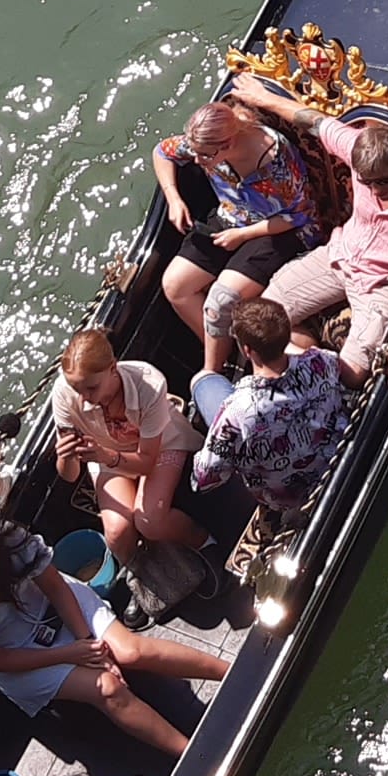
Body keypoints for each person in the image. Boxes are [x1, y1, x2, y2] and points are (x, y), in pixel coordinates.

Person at [0, 515, 227, 758]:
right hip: (22, 655)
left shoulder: (9, 542)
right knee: (107, 689)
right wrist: (69, 655)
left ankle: (229, 672)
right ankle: (190, 754)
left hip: (56, 605)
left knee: (130, 651)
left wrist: (90, 646)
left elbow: (55, 587)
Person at [222, 71, 388, 372]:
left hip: (384, 282)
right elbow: (315, 121)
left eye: (383, 182)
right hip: (339, 254)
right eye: (367, 182)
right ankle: (314, 361)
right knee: (266, 319)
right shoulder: (357, 147)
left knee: (353, 374)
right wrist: (264, 98)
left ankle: (320, 369)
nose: (375, 191)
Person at [148, 99, 319, 375]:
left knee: (221, 299)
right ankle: (226, 357)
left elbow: (299, 215)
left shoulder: (274, 160)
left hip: (279, 230)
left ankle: (212, 372)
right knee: (175, 285)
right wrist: (173, 198)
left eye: (205, 156)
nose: (197, 161)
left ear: (227, 144)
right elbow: (162, 152)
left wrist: (242, 235)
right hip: (232, 217)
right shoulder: (204, 146)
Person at [189, 296, 368, 516]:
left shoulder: (235, 415)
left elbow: (204, 479)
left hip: (299, 499)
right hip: (344, 456)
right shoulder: (320, 362)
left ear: (247, 351)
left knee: (203, 381)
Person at [47, 327, 204, 566]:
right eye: (77, 390)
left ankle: (204, 543)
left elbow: (147, 462)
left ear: (113, 368)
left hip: (160, 446)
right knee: (116, 535)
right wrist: (65, 456)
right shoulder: (63, 395)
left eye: (92, 388)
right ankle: (142, 570)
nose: (84, 399)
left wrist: (106, 456)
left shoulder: (148, 384)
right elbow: (70, 476)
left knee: (150, 521)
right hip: (106, 453)